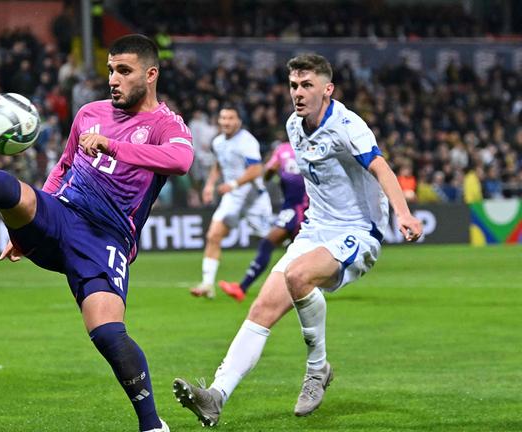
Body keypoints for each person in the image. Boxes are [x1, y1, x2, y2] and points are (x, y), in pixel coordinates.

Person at [0, 34, 191, 432]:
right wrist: (27, 223)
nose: (113, 79)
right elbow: (63, 167)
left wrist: (113, 146)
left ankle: (152, 425)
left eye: (124, 71)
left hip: (107, 238)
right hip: (62, 213)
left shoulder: (165, 124)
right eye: (111, 70)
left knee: (108, 334)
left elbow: (181, 160)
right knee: (18, 197)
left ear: (151, 75)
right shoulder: (89, 113)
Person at [173, 53, 423, 426]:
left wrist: (402, 213)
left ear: (328, 88)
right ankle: (216, 395)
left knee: (298, 276)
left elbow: (380, 166)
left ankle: (317, 369)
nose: (299, 93)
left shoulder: (347, 125)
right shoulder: (293, 126)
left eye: (307, 85)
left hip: (357, 231)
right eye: (294, 85)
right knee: (261, 309)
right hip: (314, 231)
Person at [190, 106, 272, 299]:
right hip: (233, 198)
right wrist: (210, 185)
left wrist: (233, 184)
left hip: (254, 199)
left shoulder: (247, 141)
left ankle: (298, 276)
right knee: (213, 235)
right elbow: (218, 165)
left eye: (230, 118)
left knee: (270, 241)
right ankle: (207, 284)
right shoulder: (218, 142)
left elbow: (256, 170)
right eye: (223, 118)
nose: (226, 122)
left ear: (239, 121)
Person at [218, 141, 309, 302]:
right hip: (294, 205)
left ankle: (242, 287)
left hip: (300, 207)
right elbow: (268, 172)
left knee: (271, 243)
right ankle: (305, 288)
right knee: (298, 250)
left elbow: (270, 172)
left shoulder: (299, 147)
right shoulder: (290, 148)